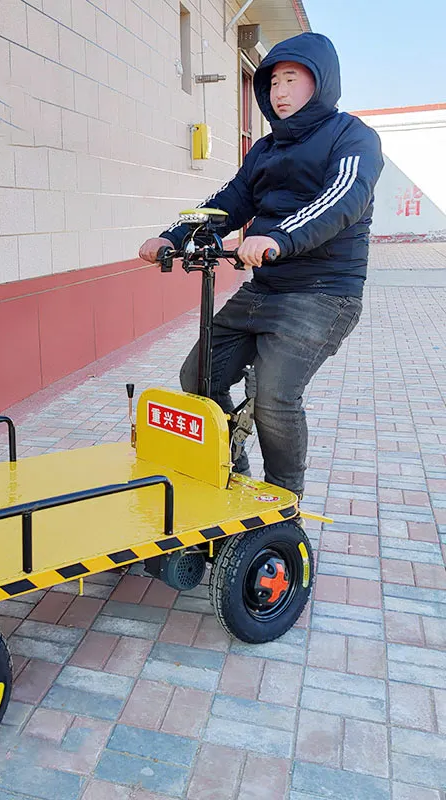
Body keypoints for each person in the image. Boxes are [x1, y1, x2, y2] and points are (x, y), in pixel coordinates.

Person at [139, 32, 383, 498]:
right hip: (265, 287)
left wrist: (277, 237)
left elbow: (342, 200)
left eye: (291, 80)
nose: (280, 92)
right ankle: (233, 469)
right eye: (272, 83)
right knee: (198, 377)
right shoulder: (264, 150)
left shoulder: (353, 137)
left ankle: (283, 500)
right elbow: (228, 202)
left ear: (322, 82)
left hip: (324, 292)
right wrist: (172, 237)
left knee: (274, 396)